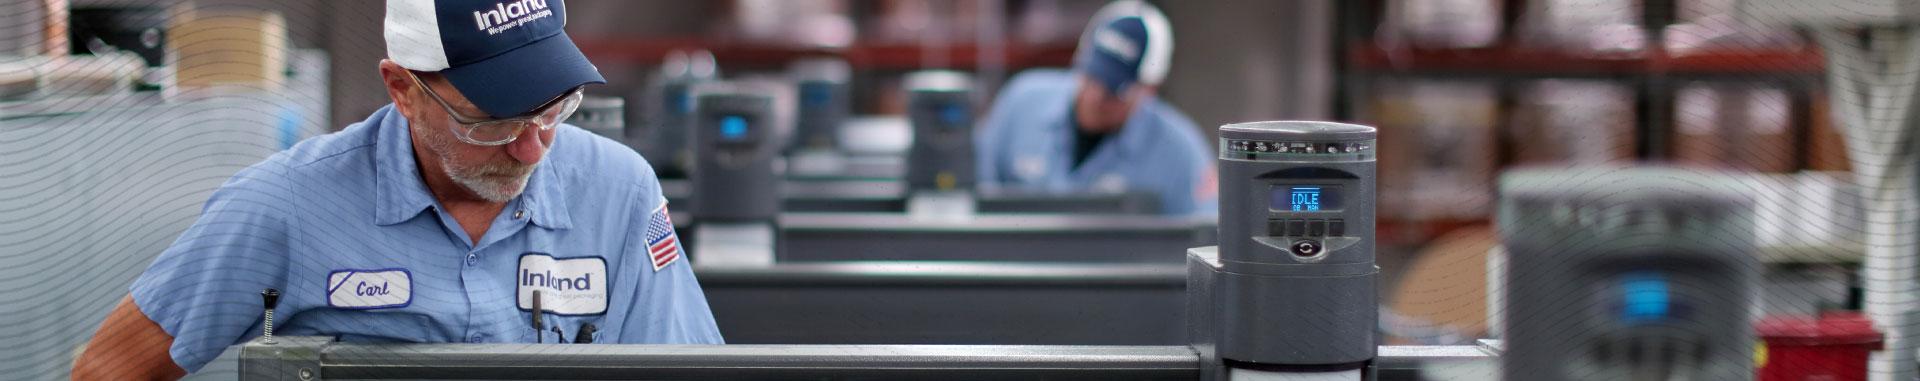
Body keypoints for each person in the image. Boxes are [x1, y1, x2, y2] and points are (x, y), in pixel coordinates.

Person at [72, 1, 722, 378]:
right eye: (491, 120)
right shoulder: (287, 206)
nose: (532, 146)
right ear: (403, 88)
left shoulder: (619, 192)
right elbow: (108, 370)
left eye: (554, 108)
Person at [974, 0, 1216, 216]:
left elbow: (1206, 235)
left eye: (1113, 90)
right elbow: (971, 191)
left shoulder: (1180, 152)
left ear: (1149, 88)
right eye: (1092, 77)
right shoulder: (1022, 103)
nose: (1094, 96)